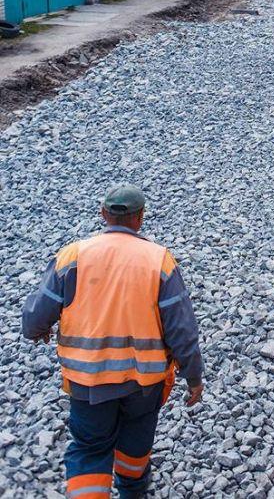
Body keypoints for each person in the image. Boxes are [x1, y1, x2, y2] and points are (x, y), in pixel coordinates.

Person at [22, 184, 203, 499]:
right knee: (135, 447)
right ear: (140, 218)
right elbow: (182, 329)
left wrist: (40, 328)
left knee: (90, 450)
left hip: (87, 381)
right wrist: (194, 377)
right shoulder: (158, 260)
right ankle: (133, 493)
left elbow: (35, 318)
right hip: (143, 382)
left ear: (104, 214)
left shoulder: (73, 256)